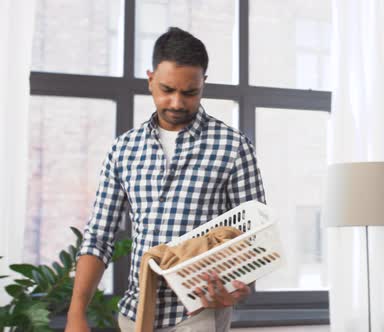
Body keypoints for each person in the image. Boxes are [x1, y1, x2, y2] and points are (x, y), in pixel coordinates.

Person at [65, 27, 266, 332]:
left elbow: (254, 236)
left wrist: (236, 286)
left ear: (203, 84)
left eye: (189, 92)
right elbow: (99, 236)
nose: (176, 103)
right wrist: (76, 314)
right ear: (150, 79)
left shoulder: (233, 146)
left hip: (198, 314)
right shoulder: (124, 149)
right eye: (167, 89)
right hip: (134, 314)